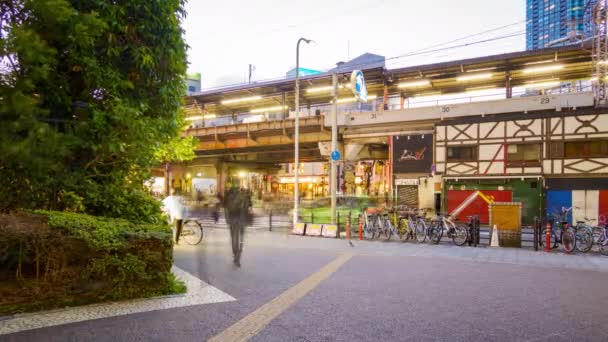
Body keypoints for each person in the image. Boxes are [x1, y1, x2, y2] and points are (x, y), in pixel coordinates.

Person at [223, 184, 252, 266]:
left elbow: (225, 207)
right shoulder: (243, 194)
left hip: (232, 219)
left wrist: (227, 219)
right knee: (241, 239)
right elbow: (249, 207)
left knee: (234, 238)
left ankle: (235, 254)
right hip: (241, 219)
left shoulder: (228, 194)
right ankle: (238, 257)